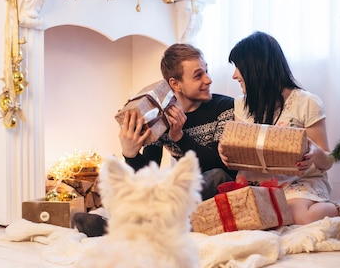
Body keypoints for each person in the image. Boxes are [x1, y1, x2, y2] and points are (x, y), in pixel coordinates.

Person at [74, 43, 236, 236]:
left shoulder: (225, 107)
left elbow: (224, 166)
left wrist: (180, 138)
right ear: (175, 84)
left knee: (216, 174)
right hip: (186, 201)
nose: (208, 80)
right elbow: (149, 171)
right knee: (156, 184)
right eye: (198, 75)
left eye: (206, 71)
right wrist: (130, 154)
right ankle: (131, 224)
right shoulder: (160, 118)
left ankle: (123, 227)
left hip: (221, 188)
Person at [220, 31, 340, 225]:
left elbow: (328, 160)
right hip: (257, 183)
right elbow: (240, 154)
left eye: (239, 67)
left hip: (300, 183)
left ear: (257, 68)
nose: (235, 75)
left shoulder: (306, 102)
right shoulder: (241, 105)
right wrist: (227, 152)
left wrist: (315, 152)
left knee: (300, 217)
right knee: (241, 219)